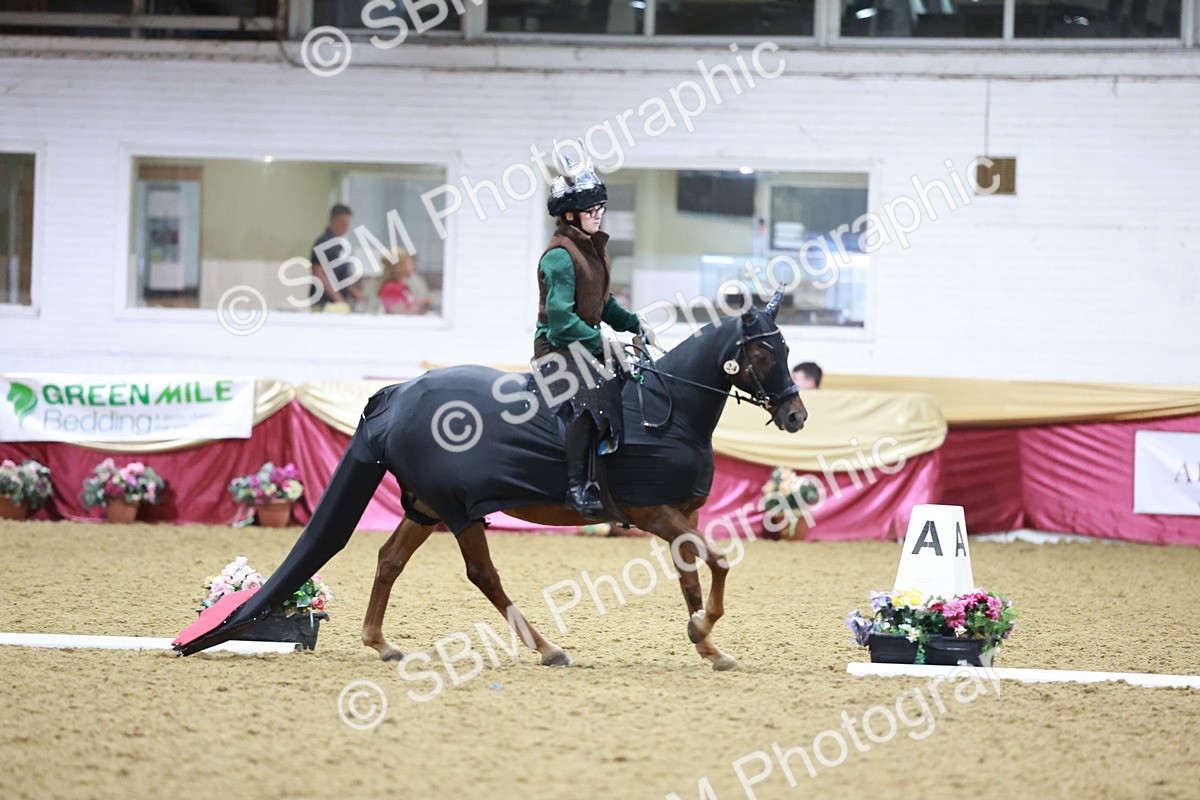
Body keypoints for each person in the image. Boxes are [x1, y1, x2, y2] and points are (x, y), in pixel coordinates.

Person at [535, 145, 657, 518]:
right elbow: (561, 321)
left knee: (631, 379)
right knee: (591, 395)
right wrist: (602, 341)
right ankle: (576, 487)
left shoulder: (595, 250)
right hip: (556, 347)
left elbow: (602, 305)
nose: (599, 215)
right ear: (569, 215)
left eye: (601, 208)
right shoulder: (560, 256)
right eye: (592, 210)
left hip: (585, 345)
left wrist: (633, 323)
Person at [310, 204, 365, 310]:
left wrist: (352, 292)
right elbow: (318, 272)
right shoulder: (323, 243)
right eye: (342, 223)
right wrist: (336, 297)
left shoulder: (340, 245)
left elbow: (340, 277)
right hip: (324, 302)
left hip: (339, 302)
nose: (345, 227)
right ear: (332, 221)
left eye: (347, 224)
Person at [378, 248, 434, 315]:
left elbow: (411, 310)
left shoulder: (404, 287)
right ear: (400, 266)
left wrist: (424, 305)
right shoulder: (391, 288)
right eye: (410, 263)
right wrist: (421, 303)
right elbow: (401, 316)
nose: (413, 266)